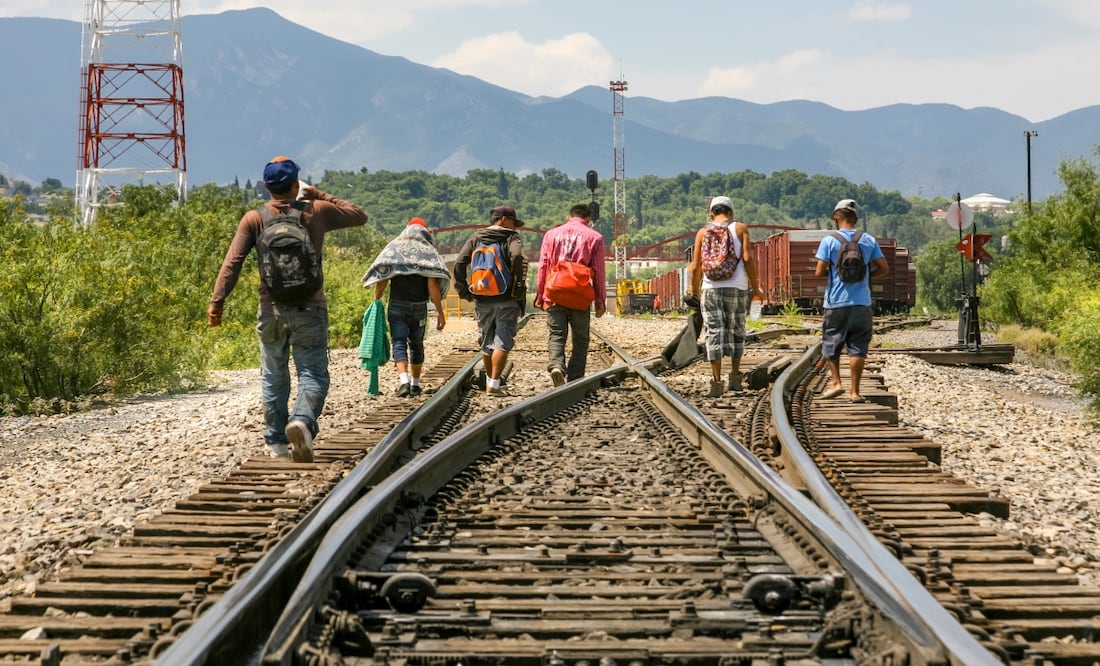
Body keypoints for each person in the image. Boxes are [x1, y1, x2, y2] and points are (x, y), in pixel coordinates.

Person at [207, 156, 368, 461]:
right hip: (310, 308)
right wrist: (320, 195)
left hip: (271, 310)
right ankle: (302, 422)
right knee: (313, 374)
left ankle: (276, 442)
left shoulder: (254, 219)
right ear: (297, 184)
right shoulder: (316, 212)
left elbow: (233, 263)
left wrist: (217, 303)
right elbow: (358, 215)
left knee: (273, 376)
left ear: (267, 187)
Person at [361, 217, 449, 397]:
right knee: (416, 344)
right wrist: (440, 313)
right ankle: (415, 385)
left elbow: (383, 277)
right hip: (419, 308)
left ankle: (404, 382)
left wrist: (375, 301)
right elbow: (433, 286)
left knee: (399, 342)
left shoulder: (394, 248)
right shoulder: (429, 252)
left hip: (397, 306)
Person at [814, 198, 890, 403]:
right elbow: (884, 268)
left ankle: (836, 383)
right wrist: (866, 276)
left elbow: (819, 271)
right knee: (858, 346)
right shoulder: (868, 240)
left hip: (836, 302)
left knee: (832, 342)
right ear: (855, 218)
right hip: (862, 302)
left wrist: (834, 271)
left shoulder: (829, 241)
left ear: (836, 217)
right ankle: (855, 392)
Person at [689, 195, 762, 398]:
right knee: (737, 329)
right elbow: (747, 258)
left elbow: (696, 266)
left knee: (714, 332)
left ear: (711, 213)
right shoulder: (740, 228)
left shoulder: (703, 232)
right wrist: (755, 288)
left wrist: (693, 290)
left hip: (710, 288)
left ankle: (716, 382)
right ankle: (735, 378)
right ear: (731, 213)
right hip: (737, 287)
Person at [452, 205, 528, 396]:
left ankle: (489, 381)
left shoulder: (476, 237)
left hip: (482, 297)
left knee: (487, 342)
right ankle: (494, 384)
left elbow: (460, 262)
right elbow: (517, 255)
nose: (514, 227)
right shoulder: (511, 237)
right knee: (503, 340)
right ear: (503, 219)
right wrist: (518, 285)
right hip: (506, 298)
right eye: (512, 222)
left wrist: (463, 289)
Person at [534, 203, 607, 386]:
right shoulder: (595, 237)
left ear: (569, 217)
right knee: (581, 339)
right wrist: (600, 300)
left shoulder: (550, 235)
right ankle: (575, 379)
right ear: (588, 220)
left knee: (557, 333)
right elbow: (598, 270)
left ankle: (557, 365)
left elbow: (543, 266)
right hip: (580, 295)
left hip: (555, 291)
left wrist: (540, 293)